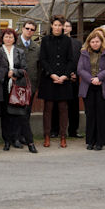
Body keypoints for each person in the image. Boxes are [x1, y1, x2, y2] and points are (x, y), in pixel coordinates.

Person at [38, 15, 74, 148]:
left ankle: (63, 136)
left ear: (63, 27)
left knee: (63, 108)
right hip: (49, 79)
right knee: (48, 108)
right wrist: (52, 74)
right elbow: (43, 59)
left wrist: (65, 76)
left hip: (64, 80)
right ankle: (47, 136)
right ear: (52, 25)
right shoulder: (46, 40)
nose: (58, 27)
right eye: (56, 25)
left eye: (60, 25)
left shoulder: (67, 41)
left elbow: (71, 60)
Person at [0, 28, 37, 153]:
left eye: (11, 37)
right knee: (5, 115)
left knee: (18, 115)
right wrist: (6, 74)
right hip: (3, 87)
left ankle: (17, 139)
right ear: (2, 38)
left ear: (14, 39)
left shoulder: (20, 52)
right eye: (6, 37)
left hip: (17, 87)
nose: (8, 39)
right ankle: (6, 141)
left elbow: (24, 69)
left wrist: (14, 72)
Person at [78, 30, 105, 150]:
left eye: (97, 41)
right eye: (92, 41)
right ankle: (90, 141)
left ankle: (100, 141)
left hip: (102, 86)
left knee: (101, 114)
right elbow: (80, 69)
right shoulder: (84, 53)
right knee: (90, 114)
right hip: (88, 87)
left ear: (101, 42)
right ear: (89, 42)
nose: (95, 43)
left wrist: (99, 77)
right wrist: (91, 79)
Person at [16, 20, 40, 145]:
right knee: (15, 112)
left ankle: (24, 136)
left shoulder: (36, 48)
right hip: (16, 85)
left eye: (32, 29)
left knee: (26, 112)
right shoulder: (14, 43)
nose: (29, 31)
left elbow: (39, 67)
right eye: (27, 28)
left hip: (31, 85)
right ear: (22, 29)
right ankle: (15, 137)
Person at [64, 20, 83, 138]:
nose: (65, 28)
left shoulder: (78, 44)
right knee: (58, 106)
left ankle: (73, 131)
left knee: (74, 106)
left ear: (71, 28)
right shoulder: (56, 42)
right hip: (61, 78)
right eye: (63, 26)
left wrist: (76, 73)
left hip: (74, 79)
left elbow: (81, 61)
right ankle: (55, 130)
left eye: (67, 26)